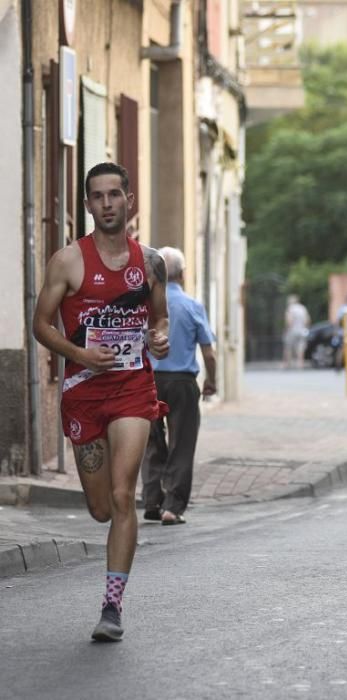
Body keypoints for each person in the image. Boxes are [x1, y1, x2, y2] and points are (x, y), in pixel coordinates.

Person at [33, 162, 170, 642]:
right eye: (98, 196)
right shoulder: (67, 261)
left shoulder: (151, 262)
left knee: (121, 494)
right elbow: (41, 325)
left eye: (116, 194)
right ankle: (112, 540)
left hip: (134, 387)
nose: (108, 203)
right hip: (82, 393)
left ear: (129, 199)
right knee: (99, 508)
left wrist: (159, 339)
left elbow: (161, 318)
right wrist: (80, 355)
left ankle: (112, 607)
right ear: (88, 204)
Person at [141, 246, 216, 525]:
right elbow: (209, 352)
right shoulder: (192, 306)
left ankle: (151, 500)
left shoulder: (147, 306)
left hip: (148, 380)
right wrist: (211, 381)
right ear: (183, 275)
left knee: (151, 441)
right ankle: (172, 507)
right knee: (181, 444)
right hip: (182, 382)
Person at [282, 294, 311, 369]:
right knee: (301, 347)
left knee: (288, 347)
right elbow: (307, 319)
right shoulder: (302, 308)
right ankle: (300, 363)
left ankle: (287, 364)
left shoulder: (290, 308)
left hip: (292, 330)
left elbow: (289, 320)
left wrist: (286, 329)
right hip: (302, 330)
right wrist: (305, 327)